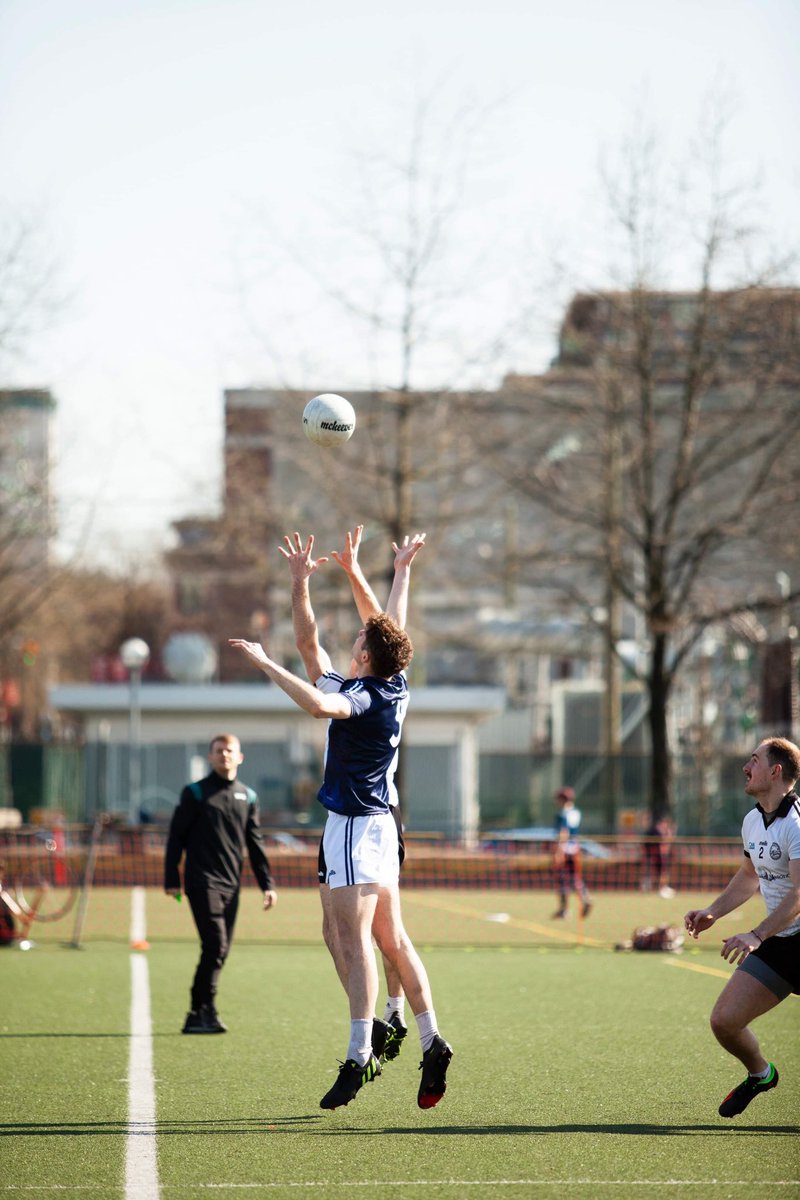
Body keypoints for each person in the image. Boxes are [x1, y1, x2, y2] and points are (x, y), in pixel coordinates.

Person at [230, 526, 453, 1112]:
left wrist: (263, 664)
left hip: (356, 824)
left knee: (352, 941)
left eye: (357, 637)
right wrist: (320, 580)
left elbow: (314, 699)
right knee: (371, 937)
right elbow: (329, 643)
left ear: (362, 657)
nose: (356, 632)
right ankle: (429, 1039)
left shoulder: (358, 698)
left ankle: (361, 1052)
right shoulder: (390, 679)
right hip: (375, 822)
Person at [684, 736, 800, 1118]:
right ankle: (761, 1074)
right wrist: (714, 911)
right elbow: (749, 876)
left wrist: (756, 934)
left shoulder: (797, 824)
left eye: (754, 760)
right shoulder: (753, 819)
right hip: (782, 943)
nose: (746, 768)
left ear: (775, 771)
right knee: (724, 1021)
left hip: (775, 935)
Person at [164, 734, 278, 1033]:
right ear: (211, 757)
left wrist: (267, 884)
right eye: (219, 751)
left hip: (232, 885)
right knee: (216, 944)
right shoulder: (196, 793)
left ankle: (201, 1013)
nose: (224, 755)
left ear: (239, 757)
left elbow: (255, 844)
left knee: (220, 950)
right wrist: (171, 877)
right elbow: (176, 836)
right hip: (202, 881)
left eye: (230, 751)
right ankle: (201, 1010)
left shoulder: (248, 796)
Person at [552, 787, 591, 919]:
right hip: (575, 847)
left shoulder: (562, 813)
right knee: (575, 878)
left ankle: (564, 909)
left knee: (561, 878)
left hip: (565, 849)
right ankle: (585, 898)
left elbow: (564, 832)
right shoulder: (576, 812)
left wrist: (559, 850)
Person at [641, 812, 676, 897]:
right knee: (653, 872)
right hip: (655, 855)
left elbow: (668, 843)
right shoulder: (655, 831)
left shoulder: (661, 830)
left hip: (661, 855)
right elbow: (662, 842)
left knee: (663, 872)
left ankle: (662, 888)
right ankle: (650, 887)